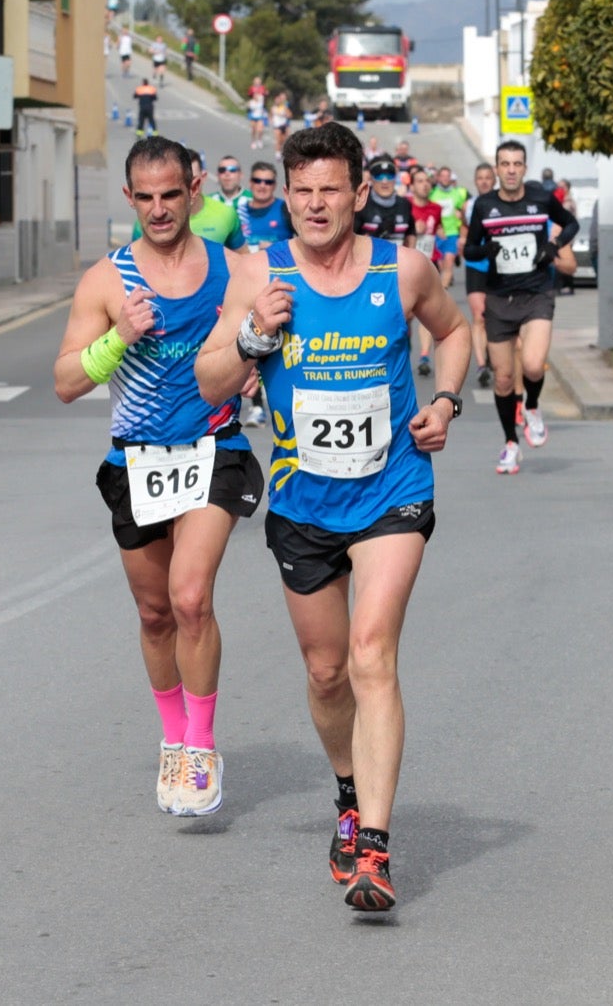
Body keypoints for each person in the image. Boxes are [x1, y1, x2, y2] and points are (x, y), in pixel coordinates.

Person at [193, 122, 471, 912]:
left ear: (358, 193)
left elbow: (455, 332)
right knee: (326, 672)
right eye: (302, 191)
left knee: (371, 652)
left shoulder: (402, 268)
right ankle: (348, 791)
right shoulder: (258, 273)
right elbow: (210, 381)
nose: (315, 205)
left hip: (392, 490)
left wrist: (446, 401)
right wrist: (252, 335)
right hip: (304, 501)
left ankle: (374, 849)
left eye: (330, 190)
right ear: (286, 195)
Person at [53, 136, 264, 818]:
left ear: (194, 191)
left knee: (190, 597)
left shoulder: (233, 270)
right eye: (144, 197)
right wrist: (118, 338)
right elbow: (65, 382)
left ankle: (200, 747)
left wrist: (257, 367)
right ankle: (173, 737)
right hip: (137, 463)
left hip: (214, 449)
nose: (159, 209)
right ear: (129, 198)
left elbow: (278, 341)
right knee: (154, 613)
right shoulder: (106, 281)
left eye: (171, 194)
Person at [461, 140, 578, 473]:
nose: (511, 170)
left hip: (537, 293)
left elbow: (571, 223)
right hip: (499, 298)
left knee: (532, 365)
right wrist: (487, 251)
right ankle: (511, 443)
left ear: (524, 168)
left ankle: (533, 406)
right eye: (505, 164)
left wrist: (554, 246)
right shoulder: (484, 206)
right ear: (497, 169)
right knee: (503, 379)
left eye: (516, 164)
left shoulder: (541, 199)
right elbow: (469, 250)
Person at [132, 149, 246, 251]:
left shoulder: (226, 214)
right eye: (181, 180)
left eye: (192, 179)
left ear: (203, 178)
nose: (186, 186)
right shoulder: (151, 220)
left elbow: (243, 258)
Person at [406, 167, 445, 378]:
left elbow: (436, 231)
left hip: (430, 264)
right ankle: (405, 347)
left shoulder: (436, 208)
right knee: (407, 316)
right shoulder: (405, 206)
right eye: (420, 181)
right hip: (407, 267)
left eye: (427, 181)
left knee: (428, 312)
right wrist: (414, 231)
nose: (425, 185)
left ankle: (424, 356)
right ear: (412, 186)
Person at [462, 163, 496, 388]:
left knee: (494, 315)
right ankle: (482, 365)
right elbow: (465, 231)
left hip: (496, 264)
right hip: (475, 264)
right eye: (480, 178)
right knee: (479, 315)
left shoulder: (501, 203)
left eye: (487, 177)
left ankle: (493, 352)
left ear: (494, 180)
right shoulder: (469, 205)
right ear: (475, 181)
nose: (484, 181)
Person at [240, 161, 295, 252]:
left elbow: (306, 244)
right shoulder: (238, 212)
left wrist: (277, 249)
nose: (262, 186)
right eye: (257, 181)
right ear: (250, 183)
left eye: (268, 182)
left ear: (274, 185)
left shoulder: (286, 209)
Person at [430, 165, 469, 291]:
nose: (445, 178)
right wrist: (437, 228)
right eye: (443, 176)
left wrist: (461, 214)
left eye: (448, 176)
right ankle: (441, 286)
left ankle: (444, 290)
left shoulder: (457, 194)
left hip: (452, 233)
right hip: (437, 234)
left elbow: (464, 210)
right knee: (439, 266)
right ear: (438, 177)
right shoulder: (432, 194)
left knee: (449, 261)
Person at [247, 77, 269, 149]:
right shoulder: (251, 88)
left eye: (259, 81)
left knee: (260, 129)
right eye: (256, 81)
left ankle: (259, 140)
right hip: (253, 112)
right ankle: (253, 141)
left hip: (260, 111)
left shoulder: (263, 88)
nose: (257, 83)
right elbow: (249, 96)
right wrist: (251, 102)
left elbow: (266, 95)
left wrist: (266, 95)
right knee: (253, 129)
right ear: (254, 82)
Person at [270, 92, 293, 159]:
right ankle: (277, 153)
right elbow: (270, 115)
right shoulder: (273, 108)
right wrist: (271, 120)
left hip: (284, 125)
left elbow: (290, 115)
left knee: (284, 140)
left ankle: (283, 150)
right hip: (277, 126)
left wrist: (286, 115)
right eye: (276, 100)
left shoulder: (284, 107)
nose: (277, 101)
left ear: (280, 101)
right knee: (278, 140)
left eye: (278, 100)